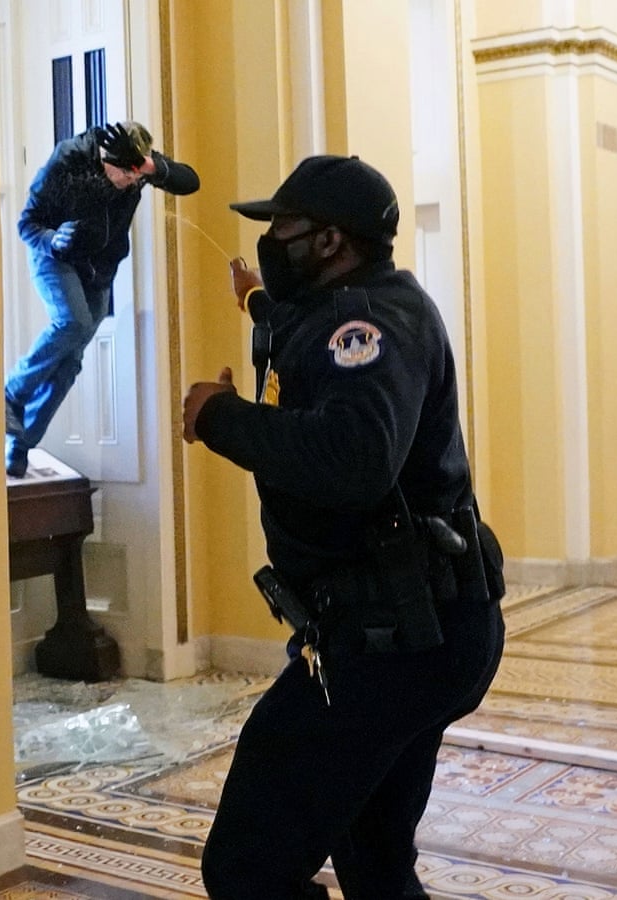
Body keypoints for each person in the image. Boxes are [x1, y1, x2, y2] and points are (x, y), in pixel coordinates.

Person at [182, 154, 506, 899]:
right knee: (376, 860)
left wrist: (220, 417)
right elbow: (316, 339)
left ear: (330, 242)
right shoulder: (370, 302)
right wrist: (260, 302)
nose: (271, 239)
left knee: (247, 866)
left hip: (390, 643)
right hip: (425, 629)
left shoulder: (365, 323)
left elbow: (355, 459)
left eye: (283, 228)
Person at [5, 121, 200, 477]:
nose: (129, 181)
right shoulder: (69, 159)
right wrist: (52, 240)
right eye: (123, 173)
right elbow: (26, 224)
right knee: (73, 322)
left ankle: (20, 444)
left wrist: (151, 168)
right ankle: (10, 394)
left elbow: (191, 181)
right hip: (56, 256)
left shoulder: (139, 166)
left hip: (99, 270)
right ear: (103, 157)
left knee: (70, 363)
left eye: (135, 176)